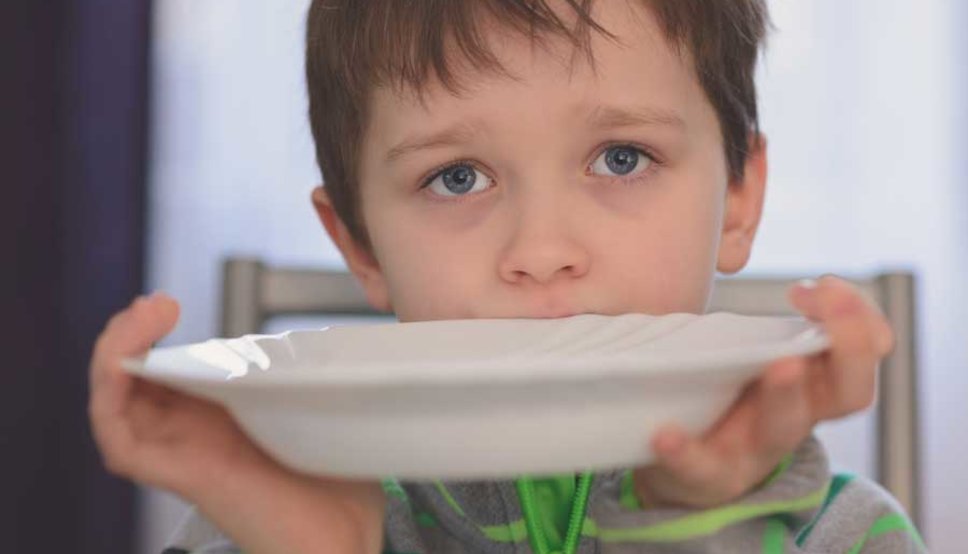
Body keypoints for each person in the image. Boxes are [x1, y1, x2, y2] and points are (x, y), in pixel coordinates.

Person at [88, 1, 925, 552]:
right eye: (457, 177)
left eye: (621, 157)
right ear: (363, 246)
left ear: (738, 200)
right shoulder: (262, 513)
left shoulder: (845, 536)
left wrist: (690, 524)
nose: (541, 249)